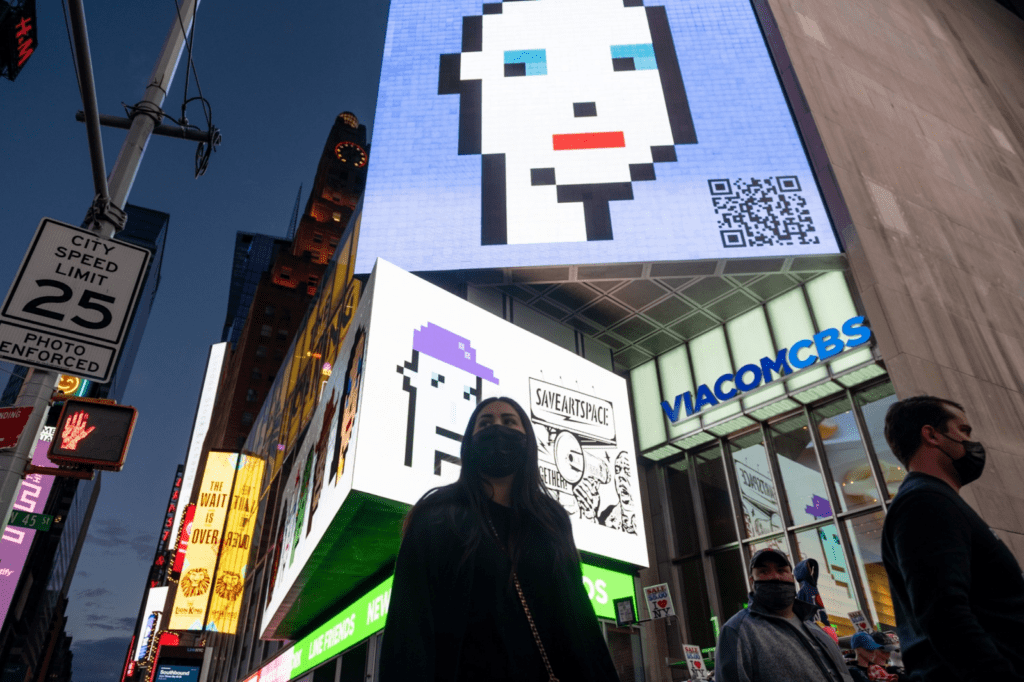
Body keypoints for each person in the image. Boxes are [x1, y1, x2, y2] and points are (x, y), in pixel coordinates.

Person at [379, 396, 620, 682]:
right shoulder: (436, 516)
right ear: (469, 442)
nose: (497, 428)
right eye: (485, 423)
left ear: (528, 440)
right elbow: (409, 626)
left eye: (508, 422)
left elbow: (579, 619)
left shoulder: (551, 520)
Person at [881, 396, 1024, 681]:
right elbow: (945, 613)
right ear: (931, 435)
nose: (971, 442)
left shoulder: (935, 500)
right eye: (964, 431)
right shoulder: (924, 502)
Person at [715, 548, 852, 682]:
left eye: (781, 570)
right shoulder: (737, 631)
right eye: (764, 571)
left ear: (792, 578)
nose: (775, 576)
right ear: (752, 582)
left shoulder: (814, 628)